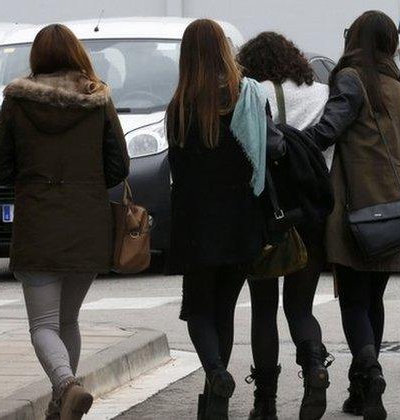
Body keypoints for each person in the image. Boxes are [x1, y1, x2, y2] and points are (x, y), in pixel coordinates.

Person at [0, 24, 129, 420]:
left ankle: (67, 386)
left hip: (38, 223)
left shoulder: (18, 101)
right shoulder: (97, 99)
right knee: (67, 319)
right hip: (87, 223)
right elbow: (118, 165)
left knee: (43, 325)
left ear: (38, 57)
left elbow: (1, 169)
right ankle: (62, 402)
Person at [304, 11, 400, 420]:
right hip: (399, 212)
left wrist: (291, 142)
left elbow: (327, 130)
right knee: (373, 298)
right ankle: (362, 389)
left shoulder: (352, 80)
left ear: (354, 39)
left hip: (359, 210)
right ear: (390, 44)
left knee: (353, 300)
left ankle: (370, 373)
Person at [165, 19, 285, 420]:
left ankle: (216, 375)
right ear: (224, 49)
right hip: (242, 224)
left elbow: (179, 173)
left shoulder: (179, 107)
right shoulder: (249, 97)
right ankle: (212, 400)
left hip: (197, 227)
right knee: (225, 311)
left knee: (199, 311)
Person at [237, 32, 332, 420]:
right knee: (300, 306)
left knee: (263, 309)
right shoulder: (320, 94)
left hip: (266, 213)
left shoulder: (250, 94)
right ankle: (315, 369)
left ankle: (266, 402)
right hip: (311, 211)